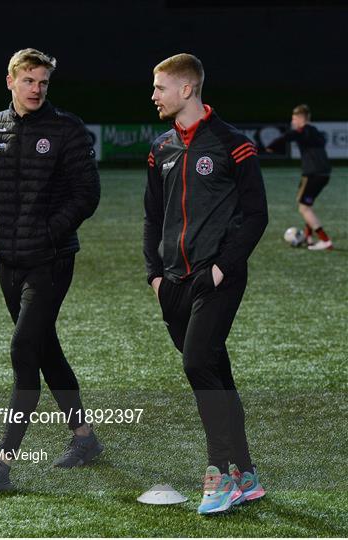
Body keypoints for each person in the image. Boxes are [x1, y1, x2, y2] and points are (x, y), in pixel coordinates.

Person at [0, 48, 102, 492]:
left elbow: (87, 194)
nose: (37, 89)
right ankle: (84, 438)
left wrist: (49, 231)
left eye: (43, 82)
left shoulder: (67, 129)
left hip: (51, 260)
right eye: (29, 81)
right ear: (10, 81)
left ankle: (1, 462)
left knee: (24, 350)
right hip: (6, 259)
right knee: (45, 350)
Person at [143, 53, 268, 515]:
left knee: (197, 364)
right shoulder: (160, 148)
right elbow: (153, 216)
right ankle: (248, 474)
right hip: (171, 282)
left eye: (160, 87)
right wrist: (153, 275)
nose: (153, 95)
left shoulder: (234, 145)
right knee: (216, 375)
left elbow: (257, 215)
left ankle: (218, 477)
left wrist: (222, 267)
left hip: (217, 279)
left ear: (187, 89)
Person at [266, 104, 333, 250]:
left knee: (304, 208)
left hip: (313, 174)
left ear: (299, 118)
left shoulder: (303, 131)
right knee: (306, 205)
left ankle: (325, 241)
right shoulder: (316, 131)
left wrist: (271, 146)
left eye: (293, 118)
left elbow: (289, 136)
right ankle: (308, 237)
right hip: (324, 173)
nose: (292, 122)